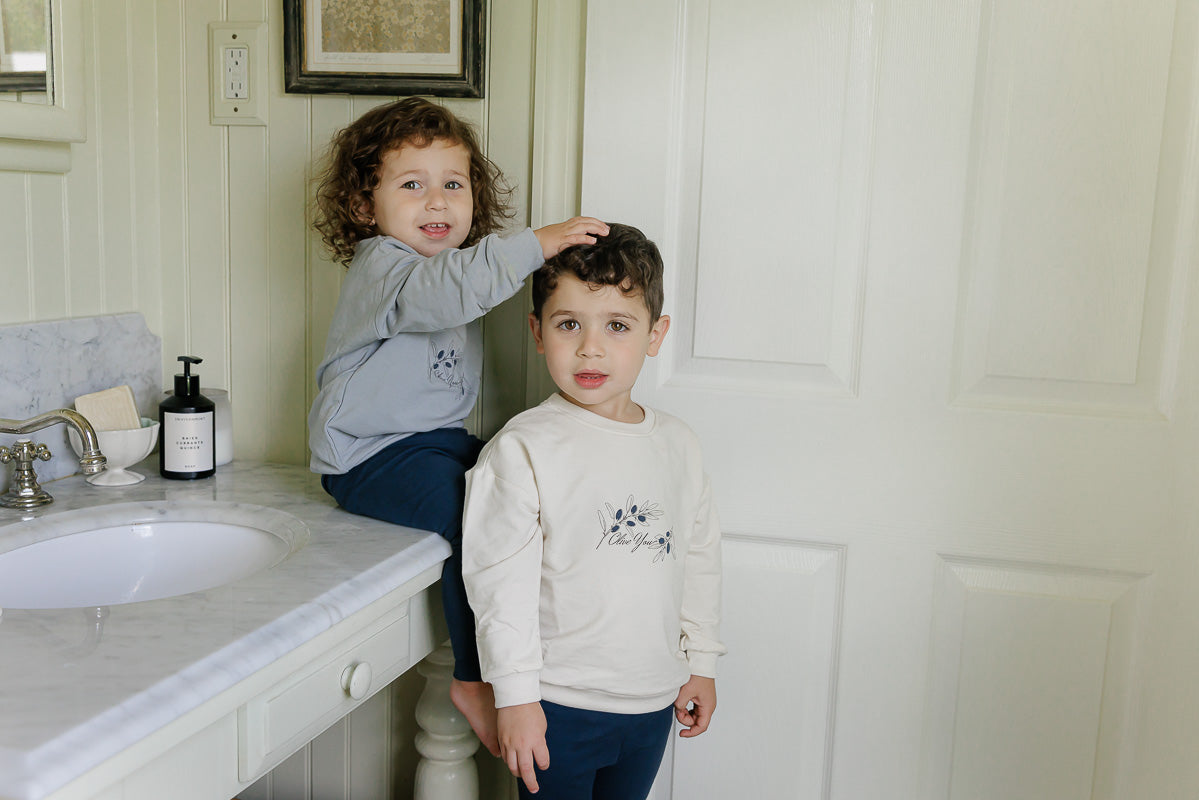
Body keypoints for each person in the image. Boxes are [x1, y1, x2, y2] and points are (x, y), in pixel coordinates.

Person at [307, 96, 609, 756]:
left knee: (524, 490)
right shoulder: (384, 267)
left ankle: (543, 651)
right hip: (367, 456)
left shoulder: (444, 270)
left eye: (453, 184)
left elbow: (464, 280)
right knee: (477, 515)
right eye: (411, 186)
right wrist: (537, 244)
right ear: (364, 206)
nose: (437, 202)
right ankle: (474, 678)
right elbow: (452, 288)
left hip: (431, 443)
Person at [461, 223, 725, 798]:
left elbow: (699, 559)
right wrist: (515, 696)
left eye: (618, 326)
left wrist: (701, 661)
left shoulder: (679, 445)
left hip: (652, 702)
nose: (590, 348)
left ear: (656, 334)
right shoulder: (523, 448)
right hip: (557, 704)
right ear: (538, 331)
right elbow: (499, 585)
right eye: (569, 324)